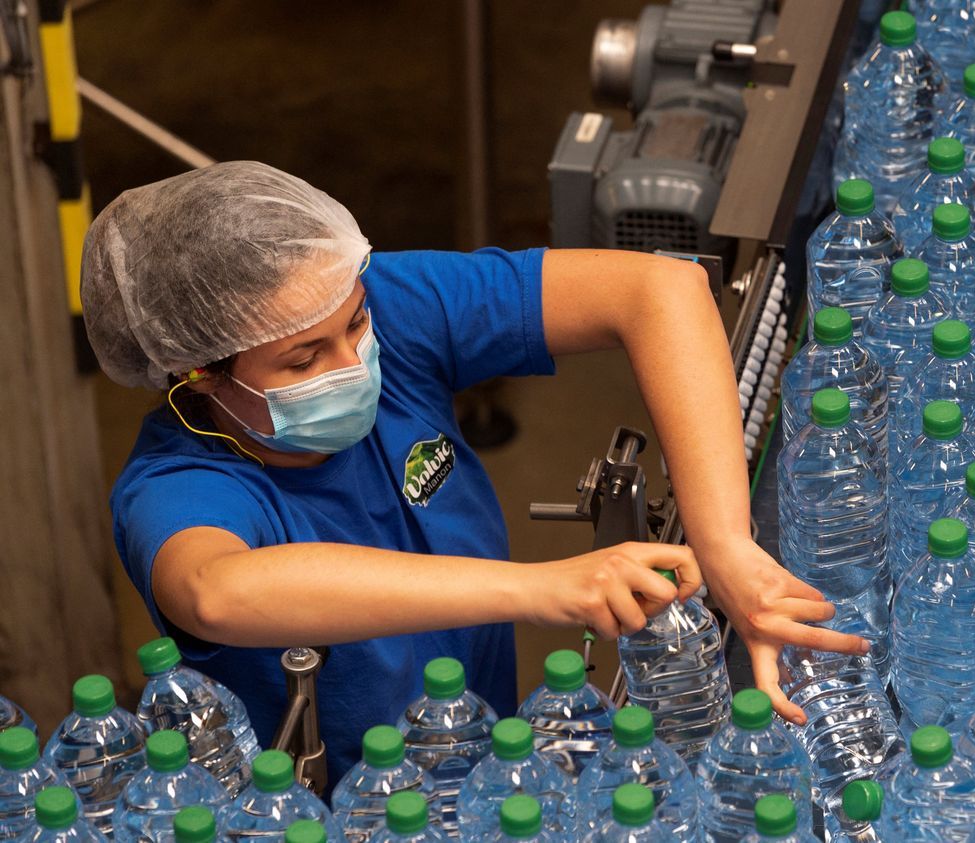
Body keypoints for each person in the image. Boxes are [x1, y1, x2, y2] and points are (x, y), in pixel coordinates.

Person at [81, 161, 865, 783]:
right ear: (197, 377)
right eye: (302, 358)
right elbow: (220, 589)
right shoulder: (177, 483)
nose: (353, 362)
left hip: (481, 753)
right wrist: (544, 586)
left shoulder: (389, 304)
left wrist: (726, 543)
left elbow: (660, 290)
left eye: (354, 323)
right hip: (359, 803)